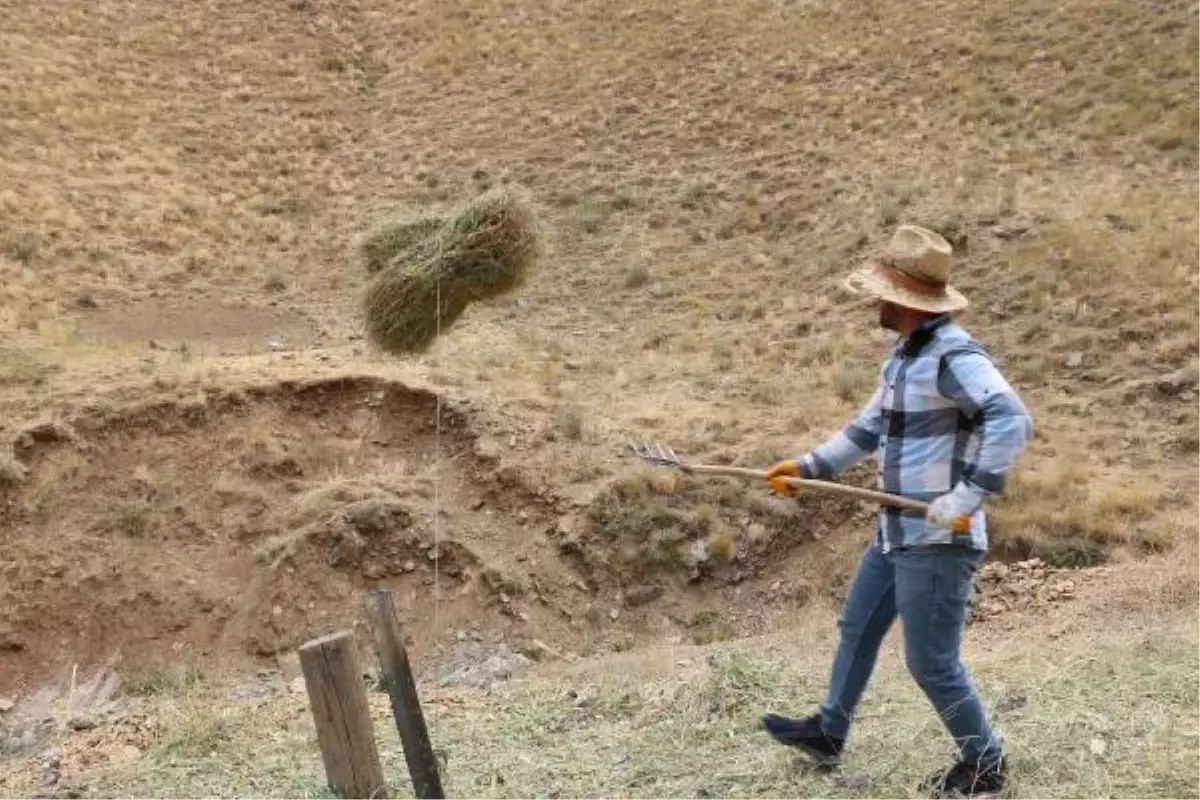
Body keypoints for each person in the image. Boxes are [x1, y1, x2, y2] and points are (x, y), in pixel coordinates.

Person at [760, 224, 1033, 799]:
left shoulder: (952, 355)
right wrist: (805, 468)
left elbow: (1010, 417)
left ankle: (986, 765)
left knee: (932, 663)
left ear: (904, 300)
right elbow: (866, 430)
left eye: (884, 293)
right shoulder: (903, 358)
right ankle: (828, 731)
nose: (876, 303)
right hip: (895, 531)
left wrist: (966, 496)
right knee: (857, 628)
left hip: (938, 542)